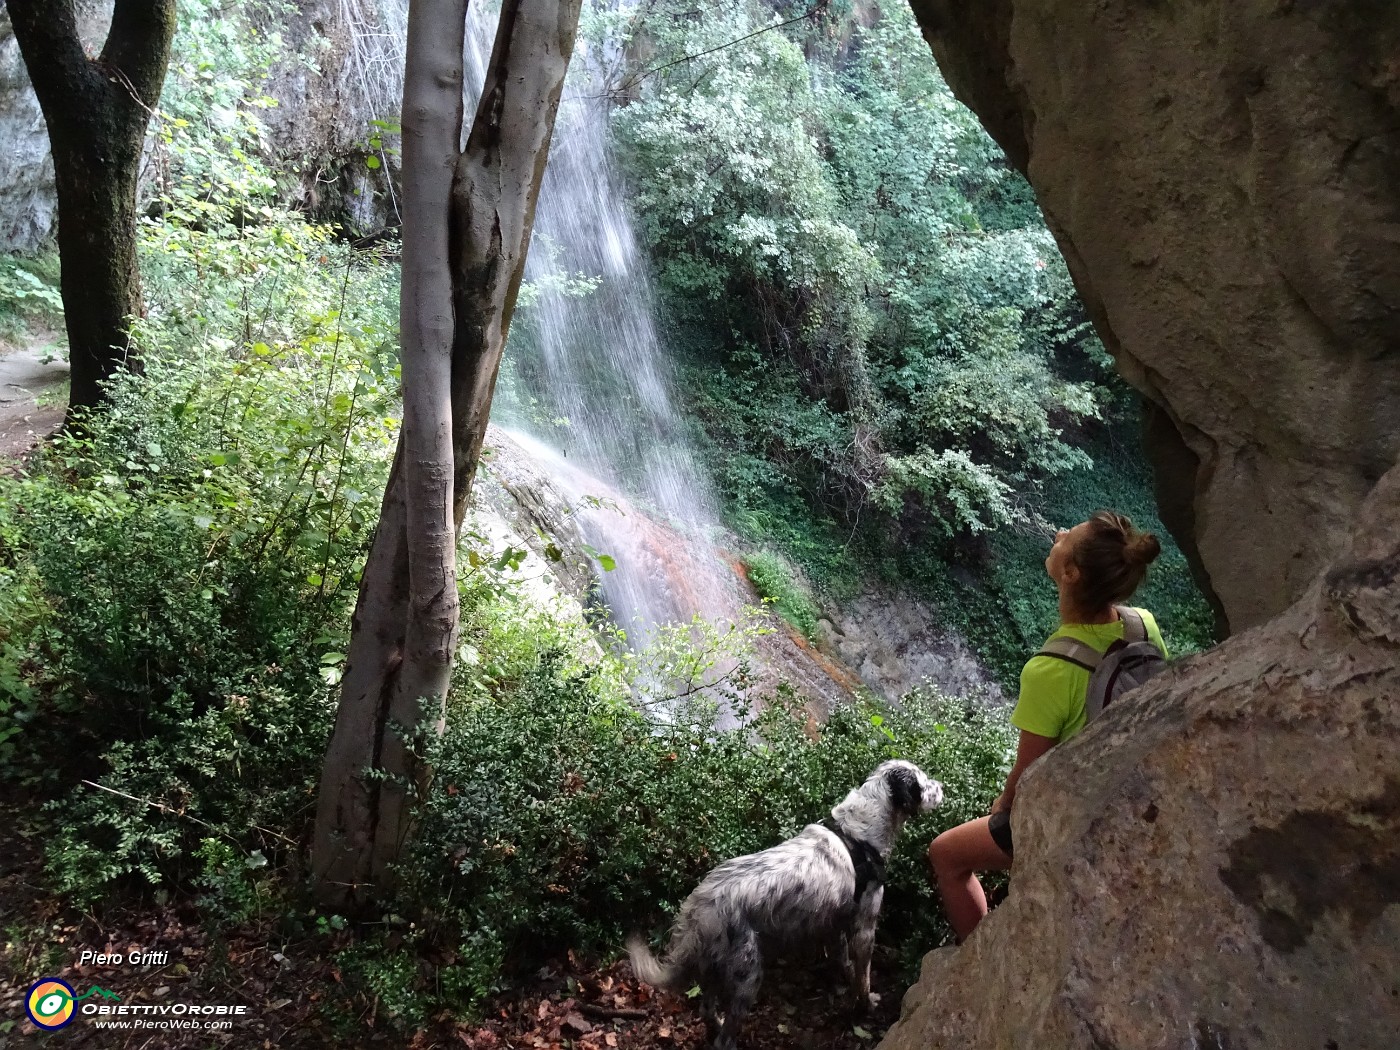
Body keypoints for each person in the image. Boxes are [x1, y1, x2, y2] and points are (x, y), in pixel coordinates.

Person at [926, 510, 1166, 942]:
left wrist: (1001, 803)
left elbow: (1027, 778)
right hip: (1136, 786)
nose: (1056, 534)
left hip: (1077, 813)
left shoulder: (1050, 669)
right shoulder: (1142, 624)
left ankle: (976, 957)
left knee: (946, 854)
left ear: (1070, 573)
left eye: (1064, 539)